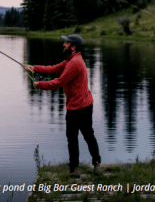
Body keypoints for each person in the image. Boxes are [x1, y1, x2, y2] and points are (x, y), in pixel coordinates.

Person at [24, 34, 101, 177]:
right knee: (74, 139)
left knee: (87, 136)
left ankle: (95, 164)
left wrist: (40, 85)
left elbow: (59, 82)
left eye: (66, 43)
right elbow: (53, 69)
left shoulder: (75, 64)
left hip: (82, 108)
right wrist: (34, 68)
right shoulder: (70, 60)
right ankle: (75, 170)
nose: (63, 45)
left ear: (73, 47)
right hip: (75, 106)